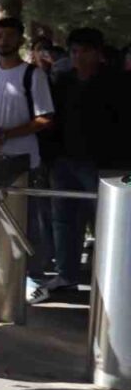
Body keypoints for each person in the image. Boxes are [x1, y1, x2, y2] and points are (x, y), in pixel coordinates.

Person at [48, 27, 131, 293]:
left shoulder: (118, 83)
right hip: (63, 161)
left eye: (85, 51)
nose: (79, 57)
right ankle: (66, 274)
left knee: (107, 220)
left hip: (102, 164)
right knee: (63, 220)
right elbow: (53, 121)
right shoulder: (62, 81)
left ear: (98, 53)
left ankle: (111, 276)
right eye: (74, 51)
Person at [0, 17, 56, 301]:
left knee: (30, 221)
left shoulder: (32, 75)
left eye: (9, 36)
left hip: (27, 159)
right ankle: (3, 276)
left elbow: (44, 117)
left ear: (20, 40)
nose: (4, 41)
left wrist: (9, 134)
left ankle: (34, 278)